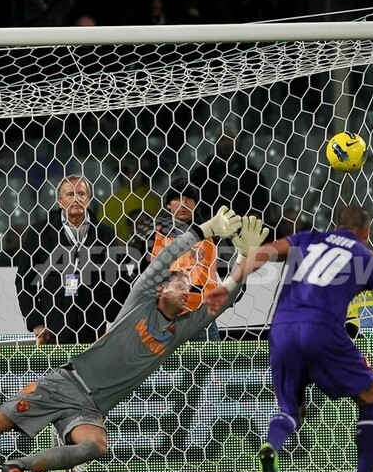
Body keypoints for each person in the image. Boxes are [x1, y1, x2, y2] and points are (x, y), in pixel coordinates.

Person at [0, 206, 266, 472]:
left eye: (191, 287)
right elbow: (164, 259)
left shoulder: (178, 330)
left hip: (90, 408)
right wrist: (204, 230)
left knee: (97, 445)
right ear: (163, 289)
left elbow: (221, 300)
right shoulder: (141, 300)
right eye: (182, 284)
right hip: (64, 383)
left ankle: (16, 467)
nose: (188, 290)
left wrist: (246, 258)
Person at [205, 205, 373, 472]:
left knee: (291, 408)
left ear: (335, 227)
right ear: (366, 233)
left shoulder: (307, 239)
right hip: (322, 328)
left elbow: (262, 253)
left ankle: (270, 447)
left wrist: (230, 284)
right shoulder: (367, 258)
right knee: (370, 396)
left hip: (281, 328)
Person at [15, 175, 130, 346]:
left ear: (88, 200)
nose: (76, 199)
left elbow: (119, 280)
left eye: (81, 194)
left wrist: (111, 321)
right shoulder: (40, 233)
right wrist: (36, 323)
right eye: (70, 194)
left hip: (94, 328)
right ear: (60, 201)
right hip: (54, 327)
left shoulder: (105, 234)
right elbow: (24, 280)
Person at [139, 178, 221, 341]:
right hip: (165, 319)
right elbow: (141, 276)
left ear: (196, 203)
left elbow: (230, 269)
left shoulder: (211, 235)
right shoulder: (154, 237)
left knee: (211, 358)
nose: (183, 204)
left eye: (188, 198)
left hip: (202, 317)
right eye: (177, 198)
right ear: (168, 205)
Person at [189, 130, 276, 235]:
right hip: (211, 227)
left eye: (230, 139)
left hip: (243, 228)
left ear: (237, 142)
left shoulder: (252, 173)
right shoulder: (201, 174)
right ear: (215, 143)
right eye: (222, 139)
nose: (226, 143)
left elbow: (260, 202)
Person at [97, 155, 162, 247]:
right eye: (126, 171)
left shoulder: (156, 203)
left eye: (137, 171)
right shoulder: (108, 204)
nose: (131, 176)